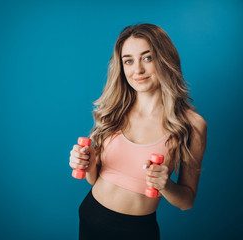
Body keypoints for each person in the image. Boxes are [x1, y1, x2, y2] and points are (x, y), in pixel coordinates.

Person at [69, 23, 207, 240]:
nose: (138, 70)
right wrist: (88, 164)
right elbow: (94, 180)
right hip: (89, 215)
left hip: (135, 231)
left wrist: (166, 185)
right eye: (128, 61)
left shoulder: (192, 124)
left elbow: (187, 202)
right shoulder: (115, 109)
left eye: (147, 58)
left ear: (164, 59)